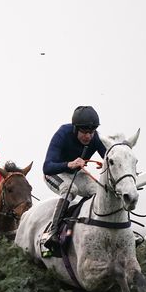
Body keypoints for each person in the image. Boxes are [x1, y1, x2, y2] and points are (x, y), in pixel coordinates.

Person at [40, 105, 107, 253]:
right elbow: (47, 167)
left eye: (91, 132)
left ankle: (90, 226)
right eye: (84, 132)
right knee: (70, 189)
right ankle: (54, 231)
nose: (88, 136)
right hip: (55, 173)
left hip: (76, 175)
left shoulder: (95, 137)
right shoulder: (62, 133)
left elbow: (108, 156)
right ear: (75, 129)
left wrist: (109, 163)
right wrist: (69, 164)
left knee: (98, 191)